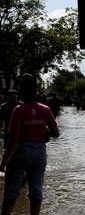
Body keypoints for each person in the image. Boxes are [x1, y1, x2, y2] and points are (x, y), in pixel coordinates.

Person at [0, 73, 59, 215]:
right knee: (36, 191)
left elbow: (14, 138)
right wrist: (45, 133)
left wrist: (4, 161)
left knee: (11, 192)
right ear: (36, 92)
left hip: (21, 151)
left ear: (21, 92)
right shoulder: (45, 109)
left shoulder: (19, 110)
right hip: (40, 153)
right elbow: (56, 133)